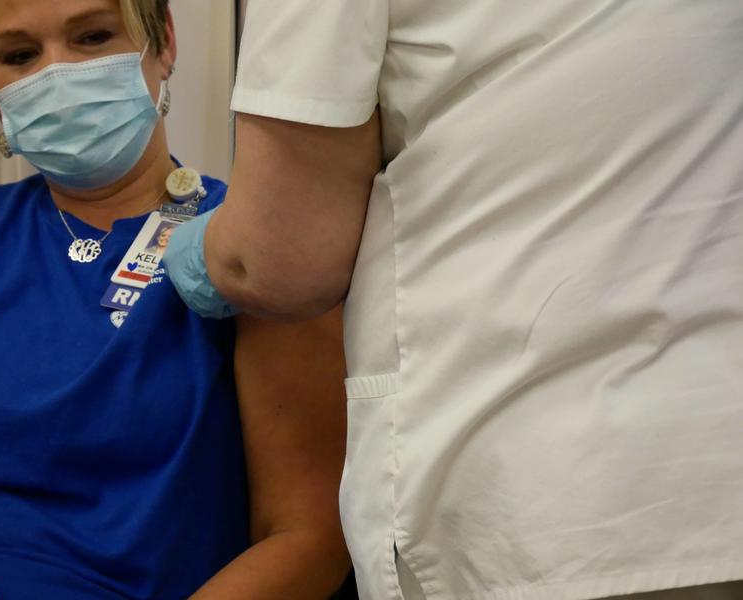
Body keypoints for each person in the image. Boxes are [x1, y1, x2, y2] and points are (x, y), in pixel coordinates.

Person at [163, 1, 743, 599]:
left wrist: (216, 254)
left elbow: (278, 261)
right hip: (709, 451)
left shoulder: (202, 235)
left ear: (165, 48)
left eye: (97, 36)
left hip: (545, 487)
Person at [0, 1, 352, 598]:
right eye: (19, 55)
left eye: (91, 37)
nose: (57, 74)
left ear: (163, 41)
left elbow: (307, 537)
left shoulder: (251, 251)